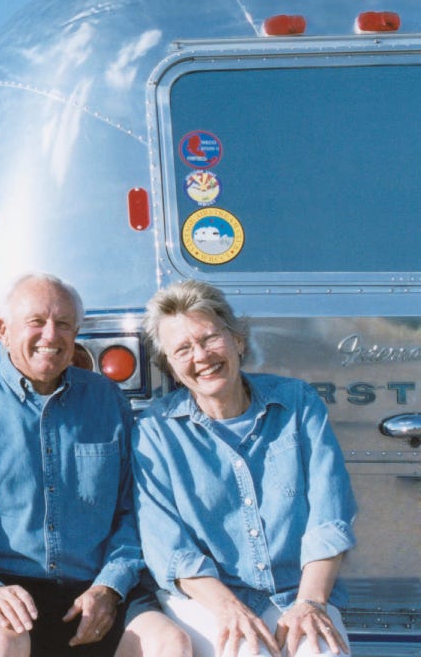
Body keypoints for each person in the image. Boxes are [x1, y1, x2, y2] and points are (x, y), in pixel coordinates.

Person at [0, 273, 189, 657]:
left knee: (169, 643)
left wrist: (110, 586)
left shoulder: (108, 401)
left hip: (97, 581)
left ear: (76, 332)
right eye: (36, 322)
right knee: (2, 642)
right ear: (2, 330)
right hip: (3, 582)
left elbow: (135, 510)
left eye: (63, 324)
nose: (50, 335)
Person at [134, 279, 357, 657]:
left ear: (237, 340)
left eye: (209, 338)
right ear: (170, 366)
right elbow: (169, 549)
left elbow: (329, 516)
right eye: (183, 349)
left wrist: (311, 603)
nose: (201, 356)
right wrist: (229, 609)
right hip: (208, 600)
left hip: (297, 592)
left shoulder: (298, 403)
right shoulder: (155, 431)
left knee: (323, 651)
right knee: (246, 652)